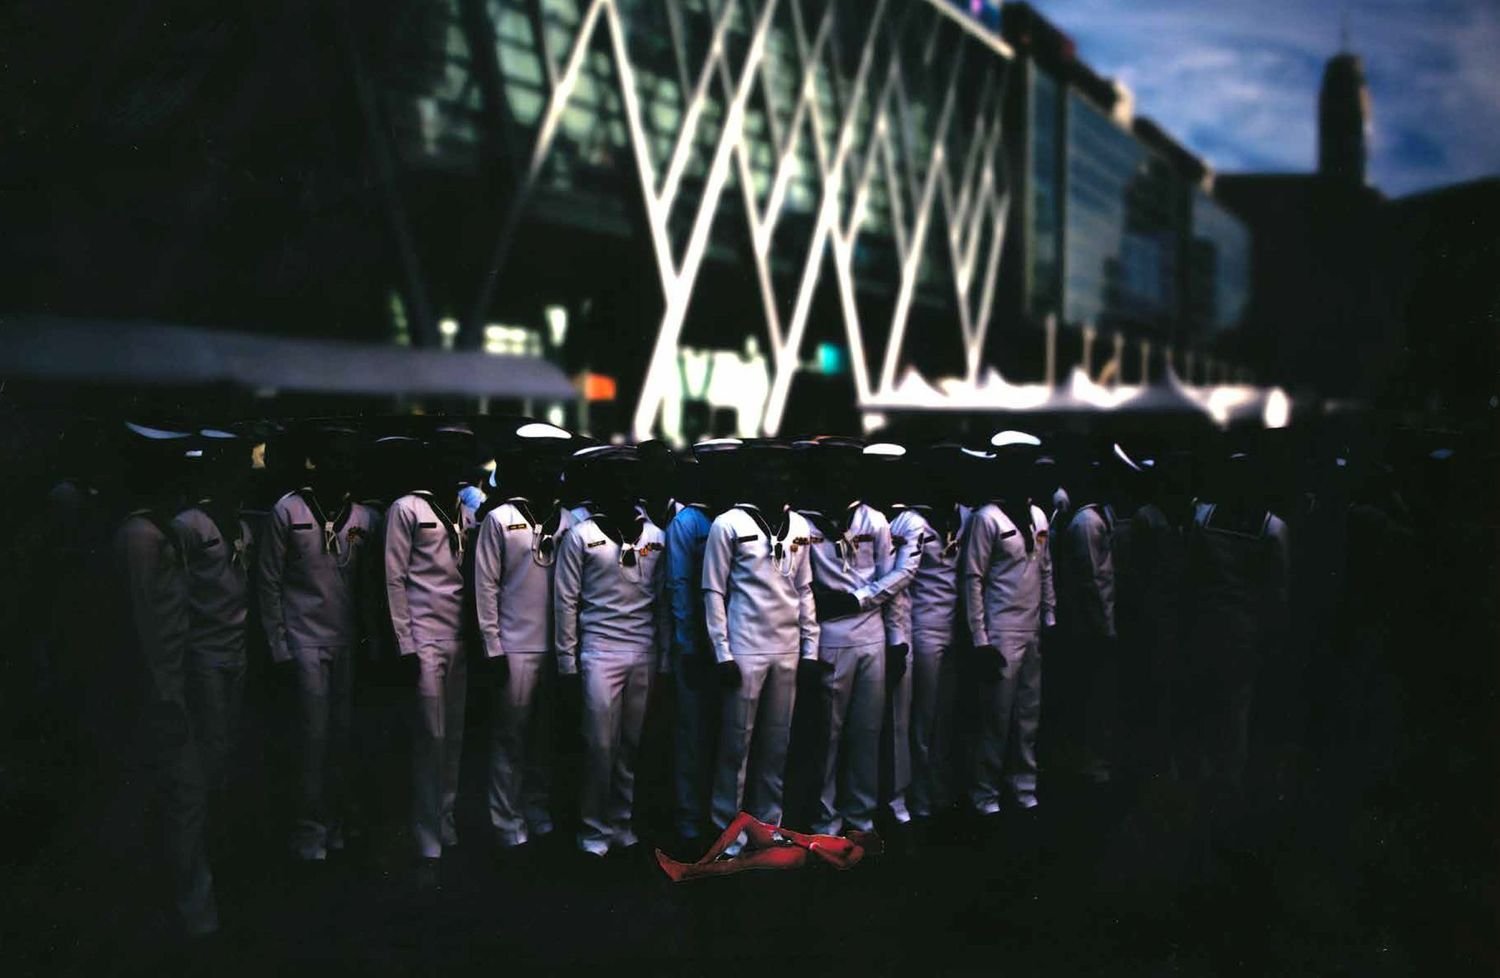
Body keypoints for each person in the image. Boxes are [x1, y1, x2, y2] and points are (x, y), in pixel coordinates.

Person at [110, 422, 219, 937]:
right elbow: (140, 623)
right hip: (159, 693)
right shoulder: (140, 537)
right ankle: (187, 912)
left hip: (174, 684)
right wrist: (163, 696)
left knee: (178, 798)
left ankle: (178, 907)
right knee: (180, 797)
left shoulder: (159, 531)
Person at [258, 423, 379, 863]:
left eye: (348, 460)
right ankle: (307, 831)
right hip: (302, 639)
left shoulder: (364, 517)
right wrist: (278, 645)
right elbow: (269, 582)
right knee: (312, 738)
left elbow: (368, 588)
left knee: (341, 737)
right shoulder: (288, 510)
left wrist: (370, 641)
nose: (341, 466)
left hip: (344, 640)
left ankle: (334, 822)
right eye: (333, 458)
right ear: (317, 462)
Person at [700, 440, 820, 848]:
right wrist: (722, 652)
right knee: (736, 746)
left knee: (776, 745)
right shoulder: (728, 524)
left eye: (783, 472)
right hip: (744, 650)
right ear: (752, 477)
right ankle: (727, 834)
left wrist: (810, 649)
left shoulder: (799, 526)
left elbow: (805, 590)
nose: (776, 479)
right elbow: (713, 591)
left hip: (787, 649)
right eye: (767, 471)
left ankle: (769, 828)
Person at [553, 446, 671, 858]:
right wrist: (567, 664)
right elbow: (566, 603)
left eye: (630, 478)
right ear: (600, 486)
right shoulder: (581, 536)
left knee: (631, 744)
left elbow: (662, 603)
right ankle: (593, 829)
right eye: (614, 478)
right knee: (599, 745)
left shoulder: (656, 537)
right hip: (599, 652)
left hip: (643, 651)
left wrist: (664, 661)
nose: (623, 486)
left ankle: (622, 823)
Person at [796, 437, 917, 837]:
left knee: (867, 732)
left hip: (872, 637)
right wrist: (809, 648)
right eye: (832, 468)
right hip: (828, 638)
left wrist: (896, 640)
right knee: (826, 736)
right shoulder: (804, 522)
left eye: (847, 469)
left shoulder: (874, 520)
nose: (840, 477)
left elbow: (891, 582)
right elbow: (802, 588)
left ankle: (860, 817)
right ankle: (825, 820)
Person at [473, 422, 575, 853]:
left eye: (555, 462)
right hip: (513, 647)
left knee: (544, 738)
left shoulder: (570, 521)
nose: (547, 471)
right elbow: (485, 587)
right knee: (509, 739)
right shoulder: (500, 519)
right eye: (540, 462)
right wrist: (492, 646)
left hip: (557, 647)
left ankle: (537, 812)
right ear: (525, 465)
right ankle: (506, 822)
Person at [384, 435, 472, 878]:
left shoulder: (465, 511)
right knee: (430, 737)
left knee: (452, 737)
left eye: (461, 458)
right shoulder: (407, 508)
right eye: (447, 455)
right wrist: (404, 642)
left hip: (457, 636)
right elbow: (394, 578)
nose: (454, 465)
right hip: (423, 637)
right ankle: (425, 835)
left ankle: (445, 820)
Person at [962, 437, 1054, 815]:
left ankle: (1024, 787)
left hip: (1032, 629)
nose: (1022, 475)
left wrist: (1050, 619)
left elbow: (1045, 570)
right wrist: (980, 640)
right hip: (1000, 631)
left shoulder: (1039, 517)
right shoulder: (987, 519)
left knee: (1028, 715)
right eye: (1013, 467)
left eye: (1026, 467)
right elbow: (973, 579)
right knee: (995, 719)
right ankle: (985, 793)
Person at [171, 428, 254, 823]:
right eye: (235, 466)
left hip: (237, 647)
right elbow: (177, 592)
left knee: (230, 738)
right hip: (203, 650)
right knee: (210, 741)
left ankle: (220, 821)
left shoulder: (242, 527)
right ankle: (203, 823)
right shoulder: (188, 525)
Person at [886, 445, 969, 827]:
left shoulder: (964, 516)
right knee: (917, 721)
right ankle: (911, 798)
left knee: (944, 719)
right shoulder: (910, 522)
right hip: (920, 630)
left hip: (953, 630)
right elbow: (899, 583)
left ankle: (937, 792)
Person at [664, 440, 734, 845]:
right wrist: (688, 646)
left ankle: (722, 819)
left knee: (728, 735)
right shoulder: (688, 523)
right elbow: (678, 587)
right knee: (692, 735)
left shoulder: (738, 519)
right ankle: (689, 820)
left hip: (732, 645)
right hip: (696, 645)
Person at [653, 811, 881, 882]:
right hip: (791, 845)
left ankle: (684, 872)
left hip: (795, 856)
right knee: (744, 818)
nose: (857, 831)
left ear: (865, 840)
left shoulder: (857, 850)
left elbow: (842, 864)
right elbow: (804, 837)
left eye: (862, 833)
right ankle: (701, 864)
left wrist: (814, 848)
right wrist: (780, 830)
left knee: (741, 862)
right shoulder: (844, 841)